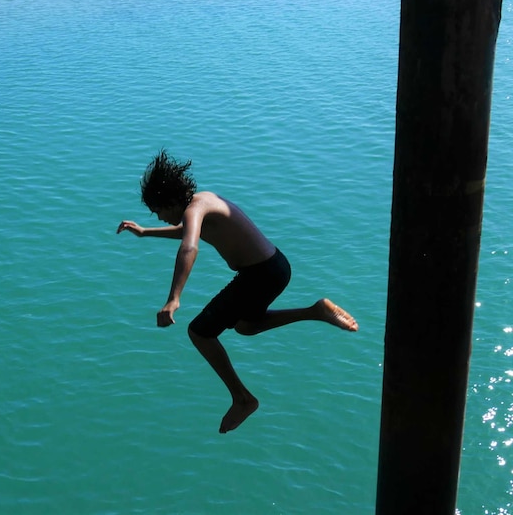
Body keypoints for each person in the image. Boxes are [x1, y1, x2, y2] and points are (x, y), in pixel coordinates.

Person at [117, 150, 358, 434]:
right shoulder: (202, 202)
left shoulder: (195, 210)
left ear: (169, 200)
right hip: (274, 268)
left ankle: (243, 399)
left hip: (260, 275)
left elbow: (189, 247)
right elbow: (186, 232)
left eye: (157, 210)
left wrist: (174, 298)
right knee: (245, 326)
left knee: (200, 332)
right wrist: (146, 232)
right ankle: (315, 311)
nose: (158, 216)